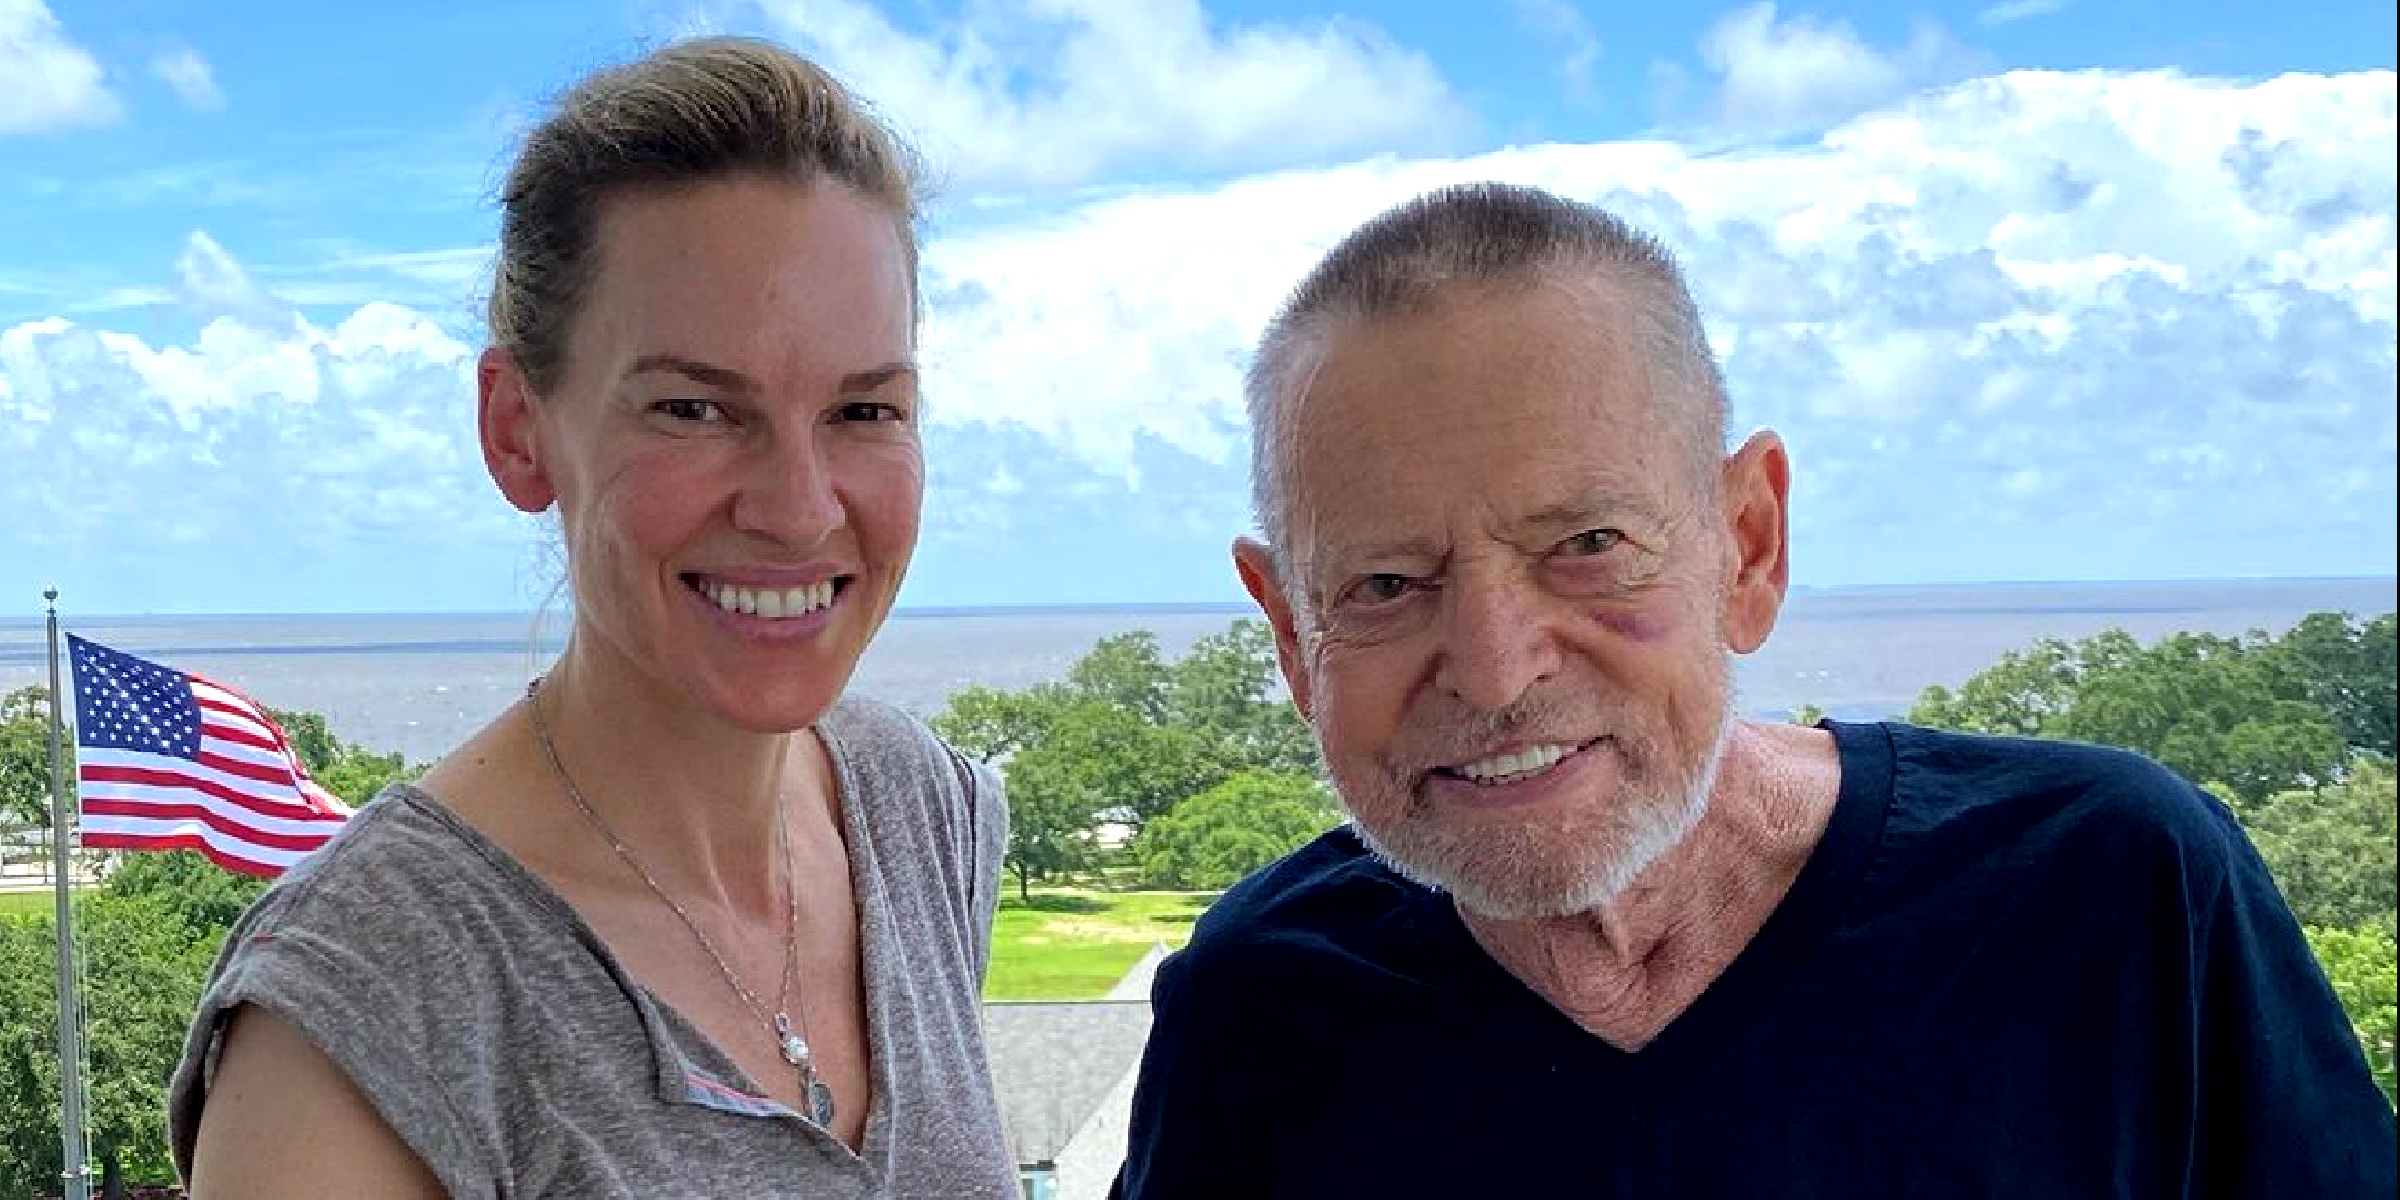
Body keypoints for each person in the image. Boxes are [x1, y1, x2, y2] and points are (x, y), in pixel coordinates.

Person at [1113, 182, 2398, 1198]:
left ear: (1749, 544)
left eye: (1589, 545)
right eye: (1387, 583)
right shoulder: (1262, 1013)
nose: (1499, 669)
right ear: (1289, 635)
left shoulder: (2112, 893)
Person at [170, 37, 1019, 1198]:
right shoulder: (365, 1014)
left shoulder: (916, 816)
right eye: (692, 407)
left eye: (865, 408)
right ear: (519, 428)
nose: (797, 506)